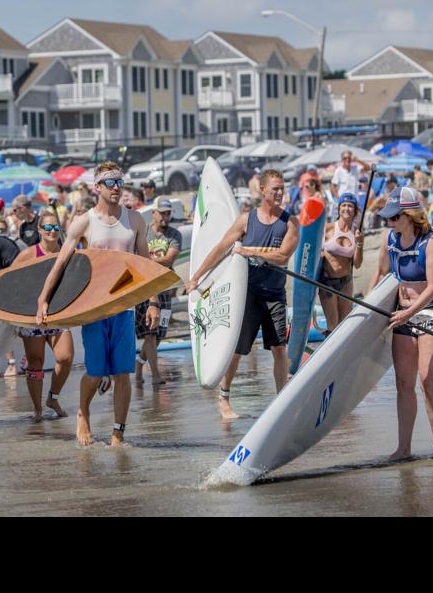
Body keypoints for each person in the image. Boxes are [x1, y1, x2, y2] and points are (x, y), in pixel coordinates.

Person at [32, 162, 147, 447]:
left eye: (120, 181)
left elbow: (147, 265)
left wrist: (154, 301)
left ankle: (118, 431)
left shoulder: (135, 221)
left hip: (125, 306)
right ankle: (83, 414)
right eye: (110, 183)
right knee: (95, 373)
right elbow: (62, 262)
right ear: (97, 187)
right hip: (95, 306)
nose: (117, 187)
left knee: (122, 373)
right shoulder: (84, 221)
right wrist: (43, 298)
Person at [185, 167, 299, 421]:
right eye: (276, 189)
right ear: (263, 190)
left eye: (282, 188)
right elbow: (220, 249)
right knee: (238, 349)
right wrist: (196, 278)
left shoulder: (290, 222)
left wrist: (247, 251)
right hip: (247, 295)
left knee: (280, 348)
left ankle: (281, 400)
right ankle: (224, 397)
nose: (280, 193)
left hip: (275, 294)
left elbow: (282, 256)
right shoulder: (247, 220)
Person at [373, 186, 433, 461]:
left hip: (432, 311)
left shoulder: (430, 242)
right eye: (388, 218)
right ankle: (404, 449)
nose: (390, 222)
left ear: (410, 215)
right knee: (403, 383)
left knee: (427, 380)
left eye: (394, 217)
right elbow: (381, 274)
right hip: (403, 313)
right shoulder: (391, 240)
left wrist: (409, 314)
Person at [13, 215, 75, 421]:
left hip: (58, 314)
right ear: (39, 229)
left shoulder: (67, 252)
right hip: (33, 316)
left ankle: (53, 397)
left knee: (65, 358)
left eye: (55, 226)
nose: (52, 230)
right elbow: (9, 280)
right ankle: (37, 409)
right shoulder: (28, 255)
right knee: (35, 363)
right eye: (47, 226)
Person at [134, 197, 184, 387]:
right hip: (146, 288)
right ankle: (155, 374)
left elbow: (169, 260)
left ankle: (139, 366)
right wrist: (144, 262)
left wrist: (145, 260)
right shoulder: (143, 232)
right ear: (153, 213)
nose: (165, 217)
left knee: (160, 334)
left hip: (166, 289)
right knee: (150, 333)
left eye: (168, 213)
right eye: (162, 213)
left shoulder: (175, 235)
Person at [317, 192, 363, 338]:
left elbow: (357, 264)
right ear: (338, 209)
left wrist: (360, 243)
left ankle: (344, 359)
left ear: (355, 211)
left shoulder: (357, 233)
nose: (346, 209)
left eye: (350, 206)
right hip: (327, 284)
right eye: (344, 205)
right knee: (333, 327)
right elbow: (314, 252)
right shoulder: (328, 228)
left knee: (344, 327)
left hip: (346, 284)